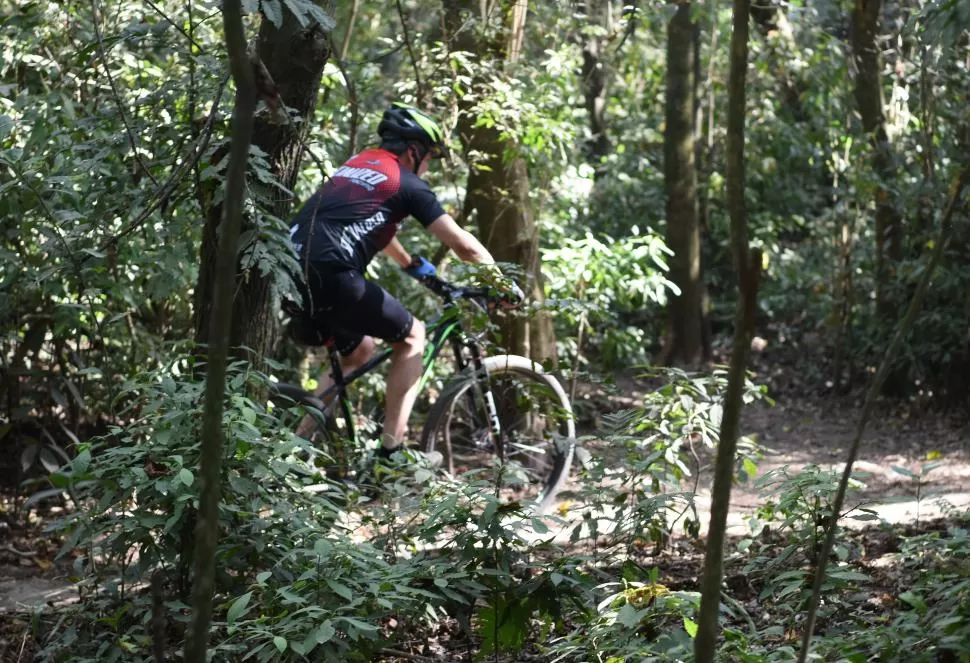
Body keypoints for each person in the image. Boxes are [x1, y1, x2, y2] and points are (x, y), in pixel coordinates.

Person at [285, 102, 520, 464]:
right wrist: (501, 284)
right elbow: (464, 246)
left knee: (359, 351)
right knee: (413, 336)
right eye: (429, 159)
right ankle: (391, 453)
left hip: (288, 268)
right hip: (332, 273)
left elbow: (369, 225)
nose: (427, 168)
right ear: (414, 150)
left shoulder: (358, 165)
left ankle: (297, 449)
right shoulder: (407, 183)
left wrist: (412, 264)